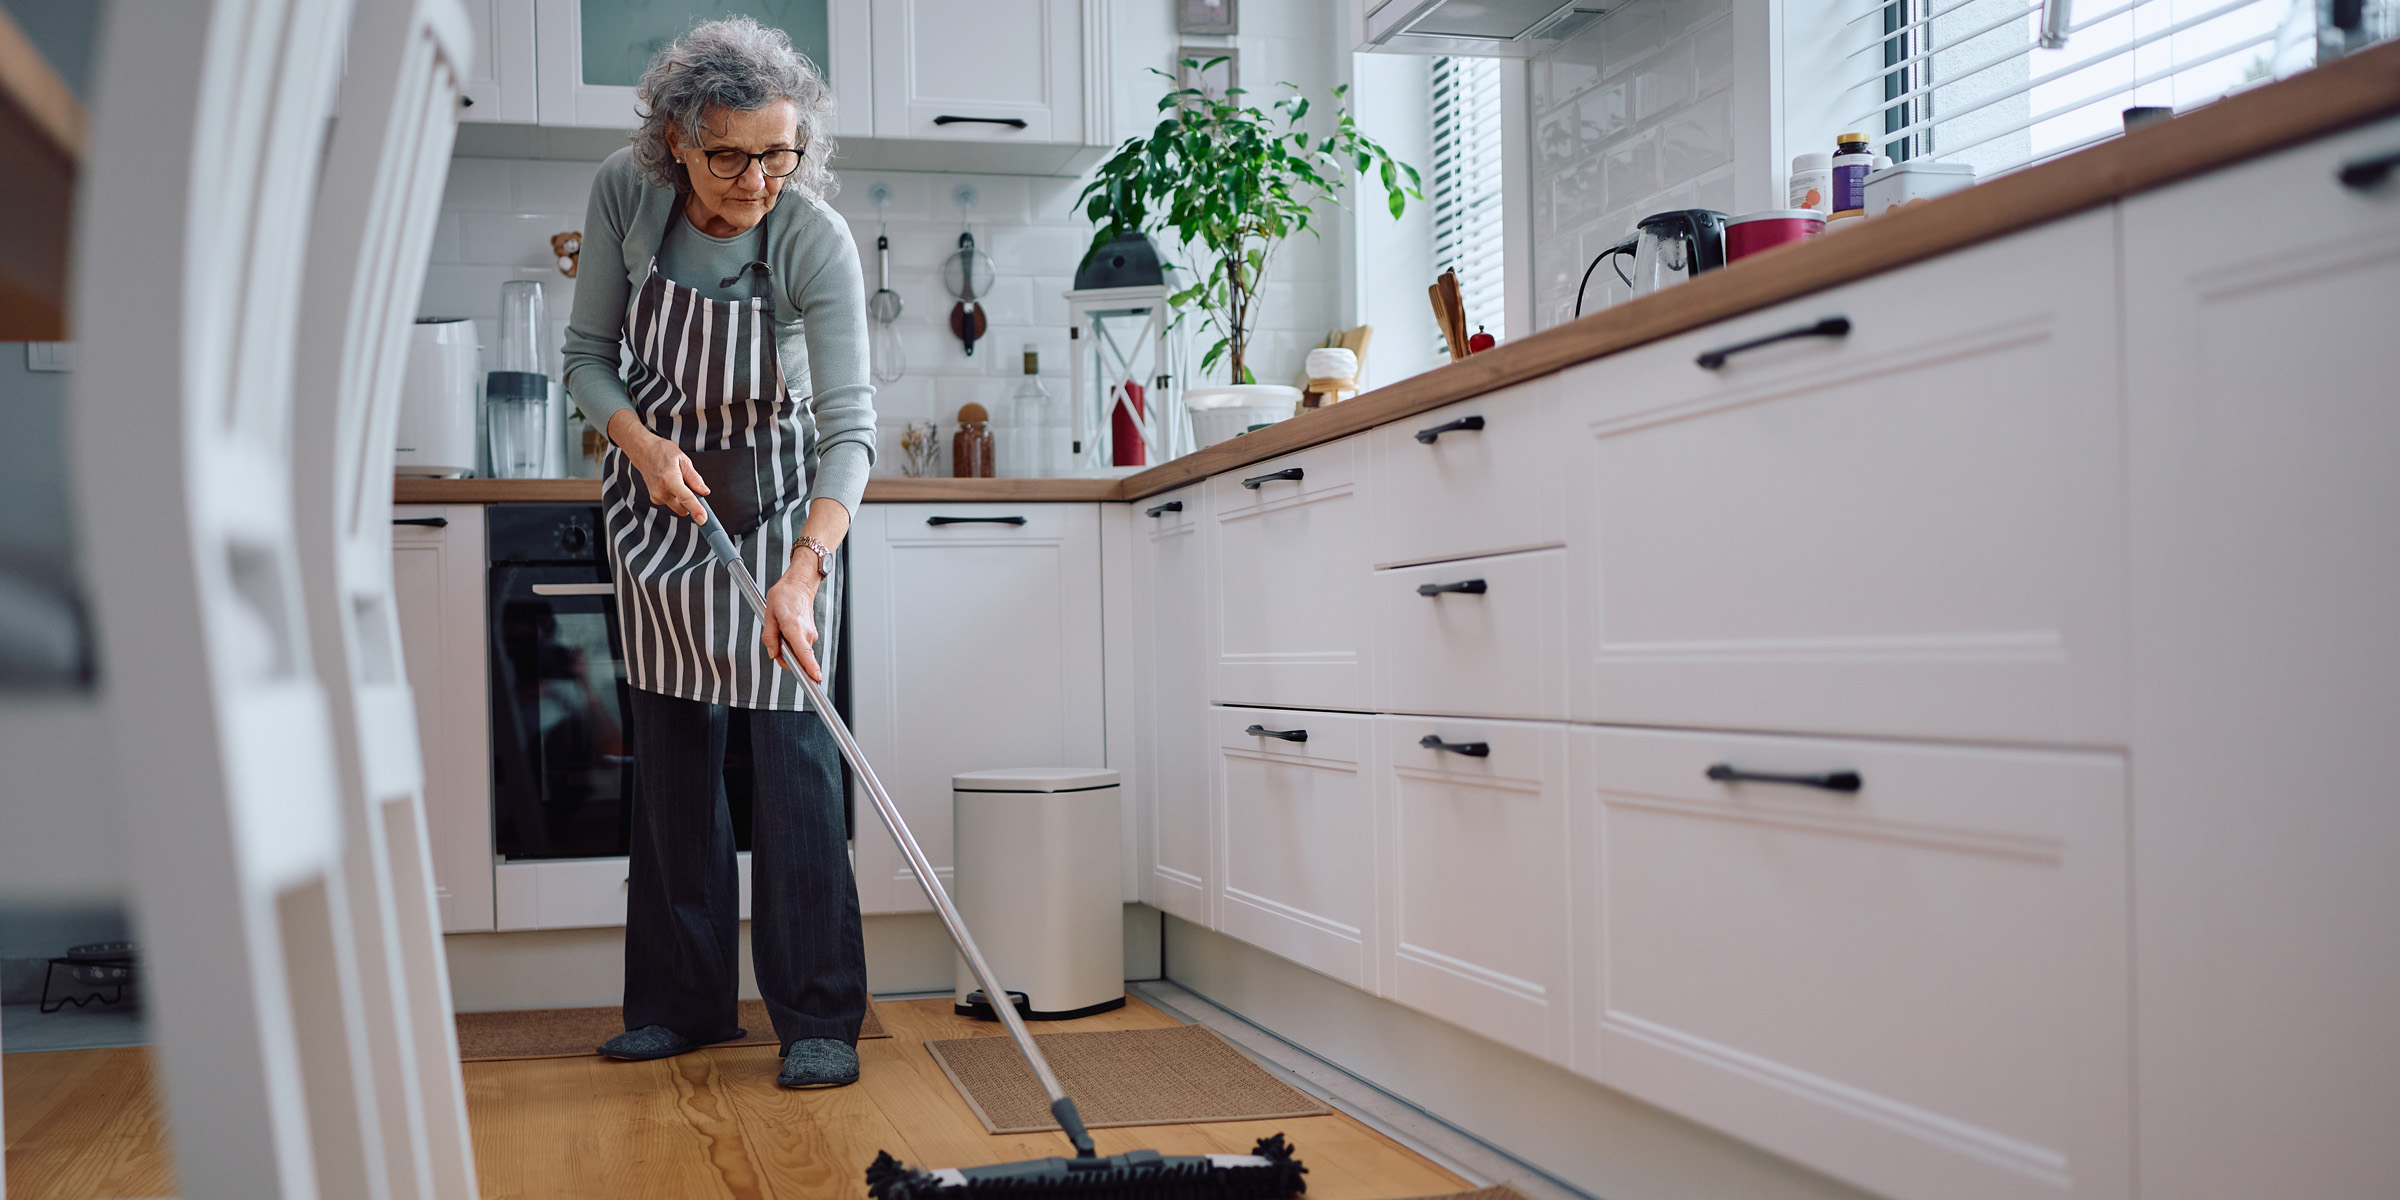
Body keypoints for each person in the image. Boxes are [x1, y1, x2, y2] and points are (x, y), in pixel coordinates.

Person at [561, 16, 874, 1089]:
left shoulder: (812, 238)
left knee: (794, 763)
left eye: (779, 153)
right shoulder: (624, 194)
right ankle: (679, 1004)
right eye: (729, 156)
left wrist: (804, 569)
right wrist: (644, 448)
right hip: (661, 498)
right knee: (676, 760)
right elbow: (588, 360)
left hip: (785, 506)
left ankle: (820, 1016)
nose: (755, 181)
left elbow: (851, 432)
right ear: (675, 142)